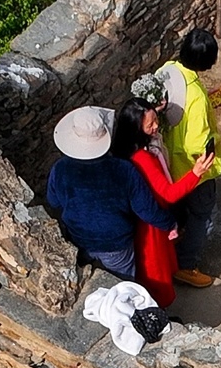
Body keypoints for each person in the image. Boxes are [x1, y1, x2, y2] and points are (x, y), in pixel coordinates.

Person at [112, 82, 215, 308]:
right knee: (155, 269)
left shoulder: (127, 150)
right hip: (151, 227)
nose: (156, 126)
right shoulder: (143, 159)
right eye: (150, 124)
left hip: (144, 218)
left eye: (156, 120)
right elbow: (168, 194)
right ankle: (159, 308)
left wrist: (154, 111)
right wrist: (196, 173)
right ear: (136, 128)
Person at [45, 104, 177, 278]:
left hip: (78, 240)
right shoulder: (123, 169)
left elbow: (53, 202)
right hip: (116, 246)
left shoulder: (60, 168)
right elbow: (146, 209)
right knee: (122, 286)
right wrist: (170, 224)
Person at [156, 28, 221, 287]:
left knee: (177, 210)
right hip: (192, 170)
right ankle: (185, 265)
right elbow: (198, 143)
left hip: (167, 163)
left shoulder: (167, 69)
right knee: (203, 217)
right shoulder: (195, 95)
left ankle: (173, 245)